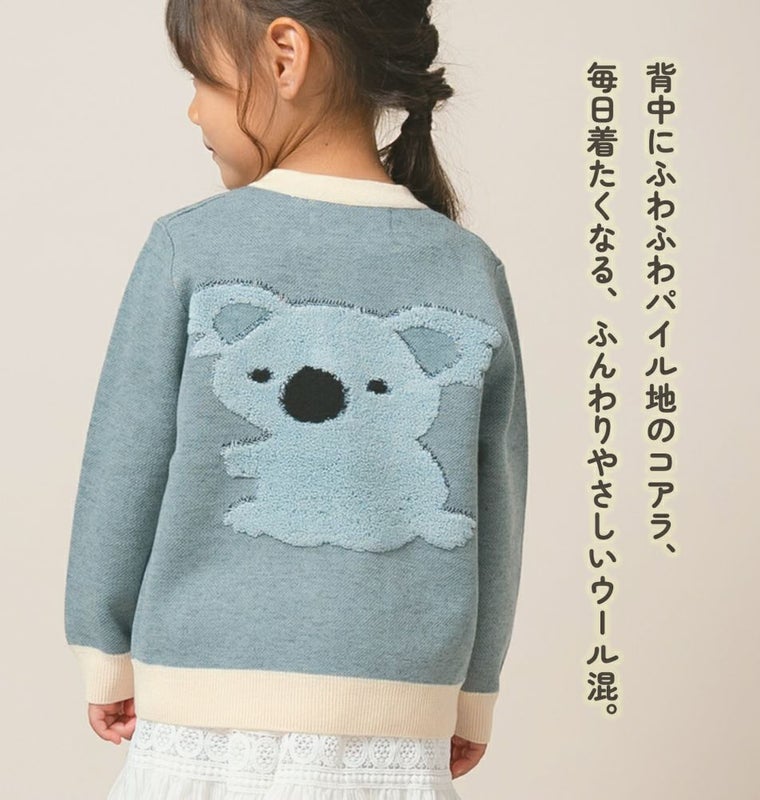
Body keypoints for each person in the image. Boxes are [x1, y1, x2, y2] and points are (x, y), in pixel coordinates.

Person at [63, 1, 530, 798]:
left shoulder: (190, 244)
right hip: (396, 726)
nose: (194, 110)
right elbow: (499, 499)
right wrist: (474, 689)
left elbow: (124, 460)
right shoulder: (467, 267)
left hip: (201, 707)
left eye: (204, 79)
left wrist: (102, 647)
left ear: (285, 56)